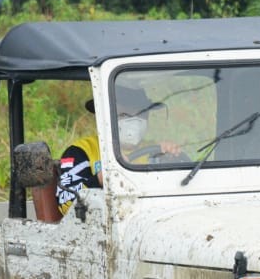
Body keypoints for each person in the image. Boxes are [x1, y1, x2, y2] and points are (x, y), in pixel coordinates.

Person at [55, 86, 175, 216]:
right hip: (103, 229)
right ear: (106, 115)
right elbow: (66, 205)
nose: (134, 122)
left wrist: (174, 160)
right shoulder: (82, 151)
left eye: (141, 114)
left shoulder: (159, 152)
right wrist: (99, 179)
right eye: (124, 115)